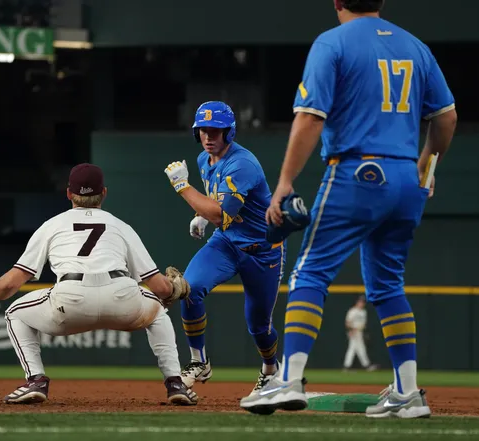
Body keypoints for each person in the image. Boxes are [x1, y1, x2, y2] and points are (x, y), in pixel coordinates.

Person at [241, 0, 457, 418]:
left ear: (337, 2)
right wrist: (426, 171)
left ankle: (288, 381)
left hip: (358, 171)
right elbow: (445, 118)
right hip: (406, 177)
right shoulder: (415, 47)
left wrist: (284, 182)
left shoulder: (332, 42)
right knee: (388, 285)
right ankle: (407, 394)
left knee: (310, 272)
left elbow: (310, 118)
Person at [0, 163, 197, 406]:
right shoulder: (121, 226)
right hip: (121, 297)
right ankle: (175, 382)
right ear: (104, 193)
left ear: (69, 193)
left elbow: (14, 281)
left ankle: (36, 381)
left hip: (71, 301)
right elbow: (162, 288)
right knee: (158, 313)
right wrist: (171, 290)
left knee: (14, 313)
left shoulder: (52, 225)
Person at [163, 101, 286, 399]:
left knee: (259, 326)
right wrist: (201, 216)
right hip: (228, 242)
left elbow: (221, 213)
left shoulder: (242, 163)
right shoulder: (205, 160)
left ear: (229, 132)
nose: (209, 136)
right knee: (189, 289)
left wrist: (183, 187)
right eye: (203, 130)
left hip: (262, 250)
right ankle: (199, 362)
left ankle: (271, 370)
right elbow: (216, 207)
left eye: (216, 131)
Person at [343, 296, 378, 372]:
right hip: (353, 331)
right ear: (357, 302)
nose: (361, 303)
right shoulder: (352, 311)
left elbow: (364, 324)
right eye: (360, 302)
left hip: (360, 332)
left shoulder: (363, 312)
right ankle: (366, 365)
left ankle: (347, 366)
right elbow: (347, 323)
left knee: (355, 349)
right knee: (357, 349)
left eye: (363, 302)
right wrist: (351, 330)